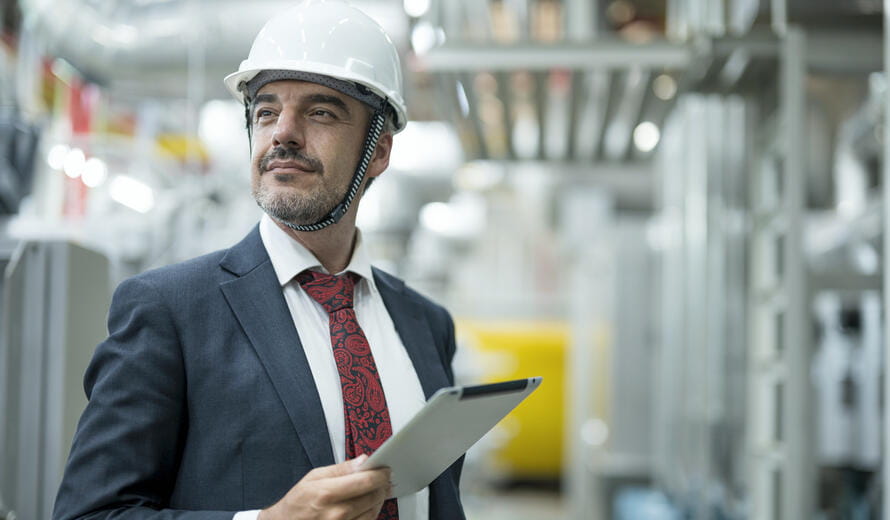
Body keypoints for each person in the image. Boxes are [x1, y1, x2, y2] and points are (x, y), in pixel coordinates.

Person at [52, 1, 465, 519]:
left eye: (320, 112)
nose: (282, 133)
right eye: (266, 111)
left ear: (378, 151)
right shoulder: (169, 312)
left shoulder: (426, 324)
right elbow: (89, 514)